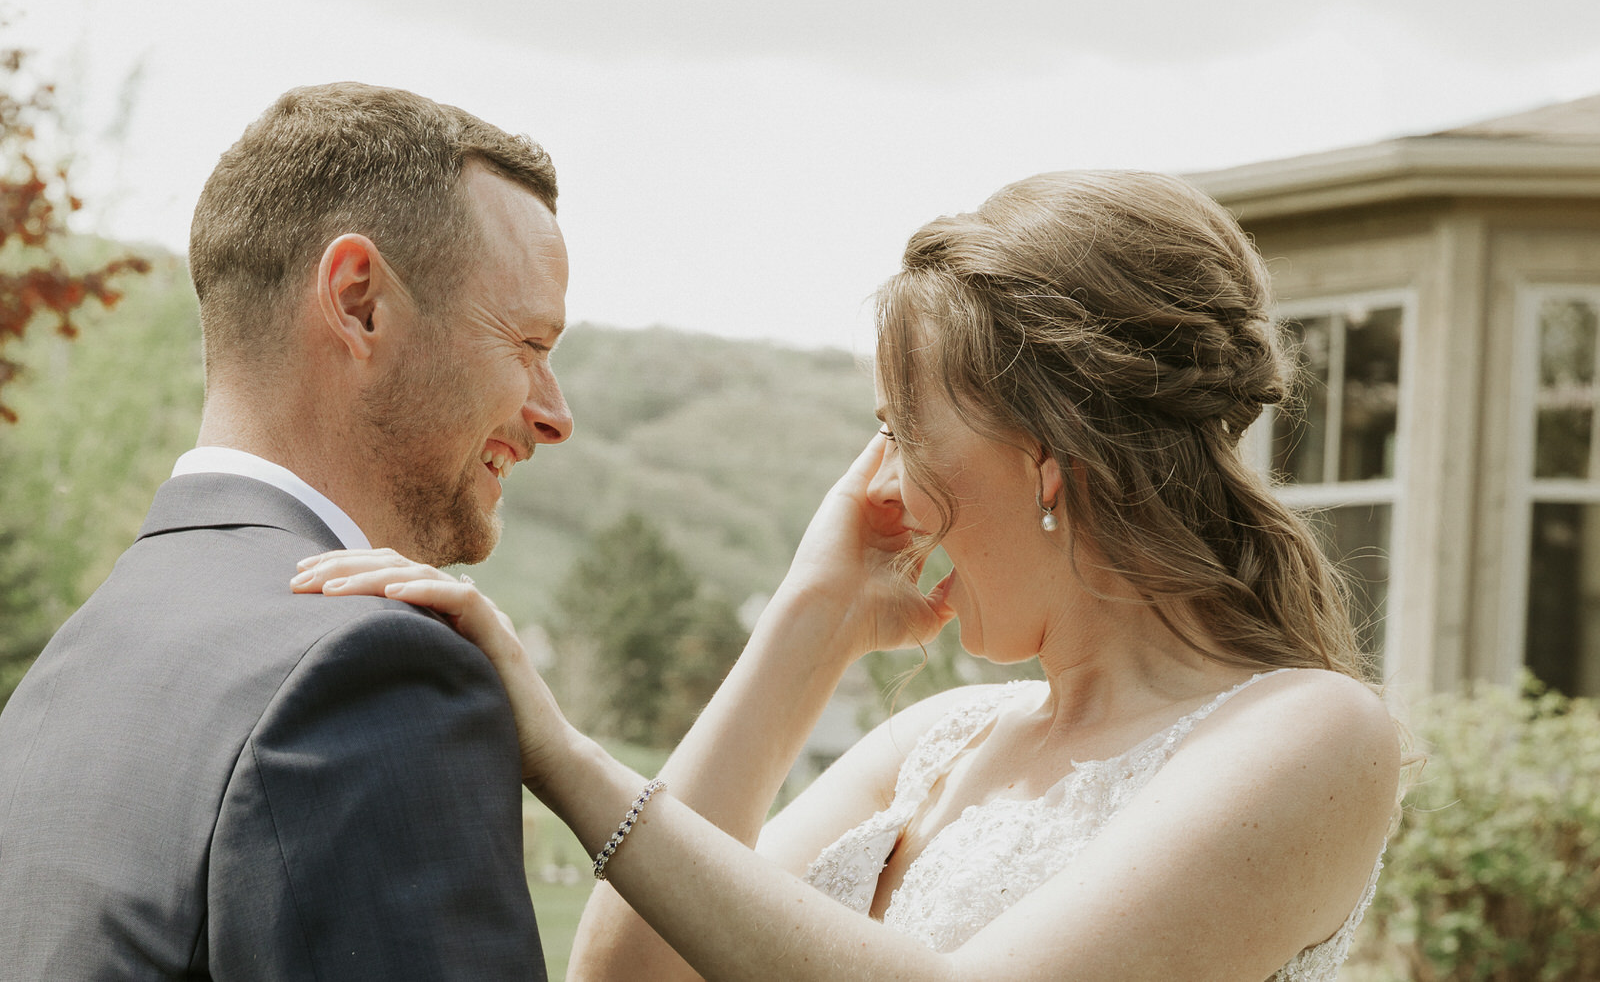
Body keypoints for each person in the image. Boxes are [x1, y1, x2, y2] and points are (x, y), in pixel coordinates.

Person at [297, 170, 1404, 980]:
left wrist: (561, 752)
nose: (885, 478)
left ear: (1044, 455)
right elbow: (627, 974)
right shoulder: (938, 742)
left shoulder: (1307, 733)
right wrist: (810, 620)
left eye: (903, 425)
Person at [0, 83, 572, 980]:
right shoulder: (370, 677)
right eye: (530, 344)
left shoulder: (72, 666)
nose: (554, 413)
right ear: (359, 302)